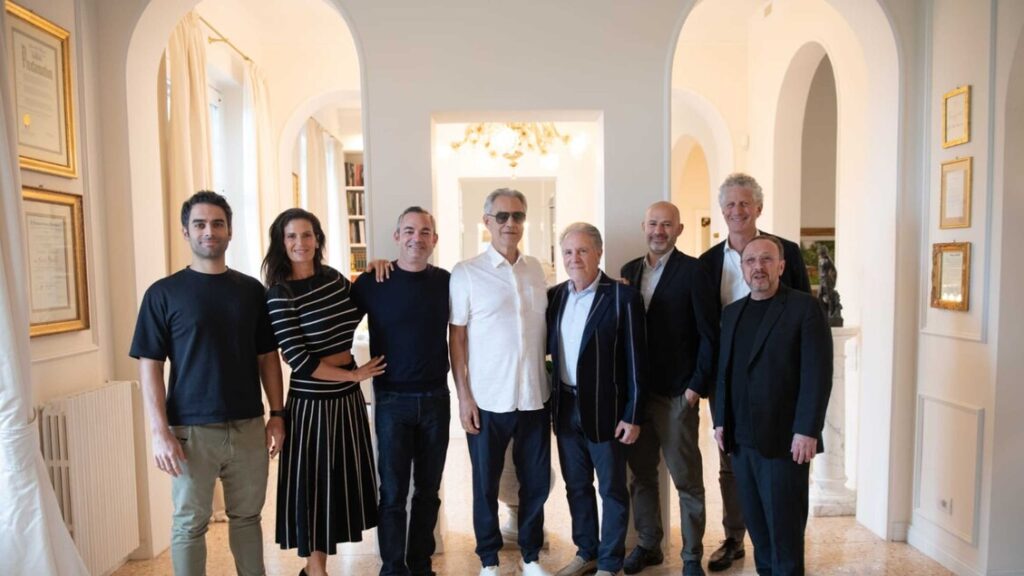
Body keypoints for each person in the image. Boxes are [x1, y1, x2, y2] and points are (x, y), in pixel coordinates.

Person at [130, 190, 285, 576]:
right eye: (199, 224)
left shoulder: (251, 291)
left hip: (248, 426)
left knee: (247, 518)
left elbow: (267, 357)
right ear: (186, 231)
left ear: (230, 231)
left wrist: (277, 414)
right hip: (190, 432)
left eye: (217, 224)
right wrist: (159, 432)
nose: (209, 231)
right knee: (190, 523)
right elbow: (150, 367)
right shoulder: (163, 293)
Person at [262, 208, 386, 576]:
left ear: (317, 239)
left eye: (306, 235)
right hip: (311, 403)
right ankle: (315, 570)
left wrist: (374, 272)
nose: (300, 243)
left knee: (338, 485)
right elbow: (298, 359)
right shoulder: (279, 294)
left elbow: (362, 305)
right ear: (282, 243)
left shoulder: (333, 279)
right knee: (313, 488)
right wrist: (354, 375)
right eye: (291, 236)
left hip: (345, 401)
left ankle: (315, 569)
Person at [698, 173, 810, 572]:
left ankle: (784, 552)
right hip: (731, 386)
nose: (737, 211)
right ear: (721, 210)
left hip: (781, 389)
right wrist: (706, 386)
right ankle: (735, 538)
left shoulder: (786, 253)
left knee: (781, 479)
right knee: (733, 468)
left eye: (744, 203)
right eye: (729, 204)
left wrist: (806, 420)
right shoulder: (708, 264)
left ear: (758, 208)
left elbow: (805, 322)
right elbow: (706, 331)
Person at [713, 235, 832, 576]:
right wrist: (721, 421)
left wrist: (807, 430)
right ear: (742, 268)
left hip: (785, 443)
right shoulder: (732, 313)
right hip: (742, 443)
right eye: (750, 261)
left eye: (766, 259)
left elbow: (817, 374)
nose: (758, 267)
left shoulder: (804, 308)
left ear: (781, 266)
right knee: (759, 532)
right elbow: (725, 372)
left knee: (785, 534)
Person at [449, 188, 551, 576]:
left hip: (534, 397)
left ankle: (530, 556)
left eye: (518, 216)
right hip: (488, 399)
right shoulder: (466, 272)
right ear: (487, 221)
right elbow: (457, 338)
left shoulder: (536, 269)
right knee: (485, 485)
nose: (511, 223)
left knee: (535, 483)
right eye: (503, 216)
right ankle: (489, 560)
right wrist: (464, 396)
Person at [351, 207, 451, 576]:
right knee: (393, 493)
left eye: (425, 232)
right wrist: (350, 372)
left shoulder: (447, 282)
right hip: (392, 401)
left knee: (427, 491)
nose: (416, 238)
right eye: (409, 231)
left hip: (437, 399)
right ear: (397, 237)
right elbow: (338, 325)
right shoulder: (373, 281)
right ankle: (392, 569)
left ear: (434, 240)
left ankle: (420, 565)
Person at [620, 202, 719, 576]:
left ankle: (691, 556)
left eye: (666, 225)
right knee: (642, 476)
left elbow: (710, 335)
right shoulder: (629, 270)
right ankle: (649, 545)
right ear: (643, 226)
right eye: (653, 224)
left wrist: (695, 389)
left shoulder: (694, 272)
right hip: (637, 397)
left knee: (687, 480)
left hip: (677, 394)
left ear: (679, 229)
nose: (658, 231)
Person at [547, 223, 647, 576]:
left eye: (583, 250)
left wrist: (633, 414)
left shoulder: (623, 297)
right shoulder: (554, 297)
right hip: (565, 407)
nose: (574, 258)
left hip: (608, 411)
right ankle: (586, 551)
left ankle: (609, 562)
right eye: (568, 252)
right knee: (576, 487)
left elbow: (637, 361)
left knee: (612, 490)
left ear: (599, 253)